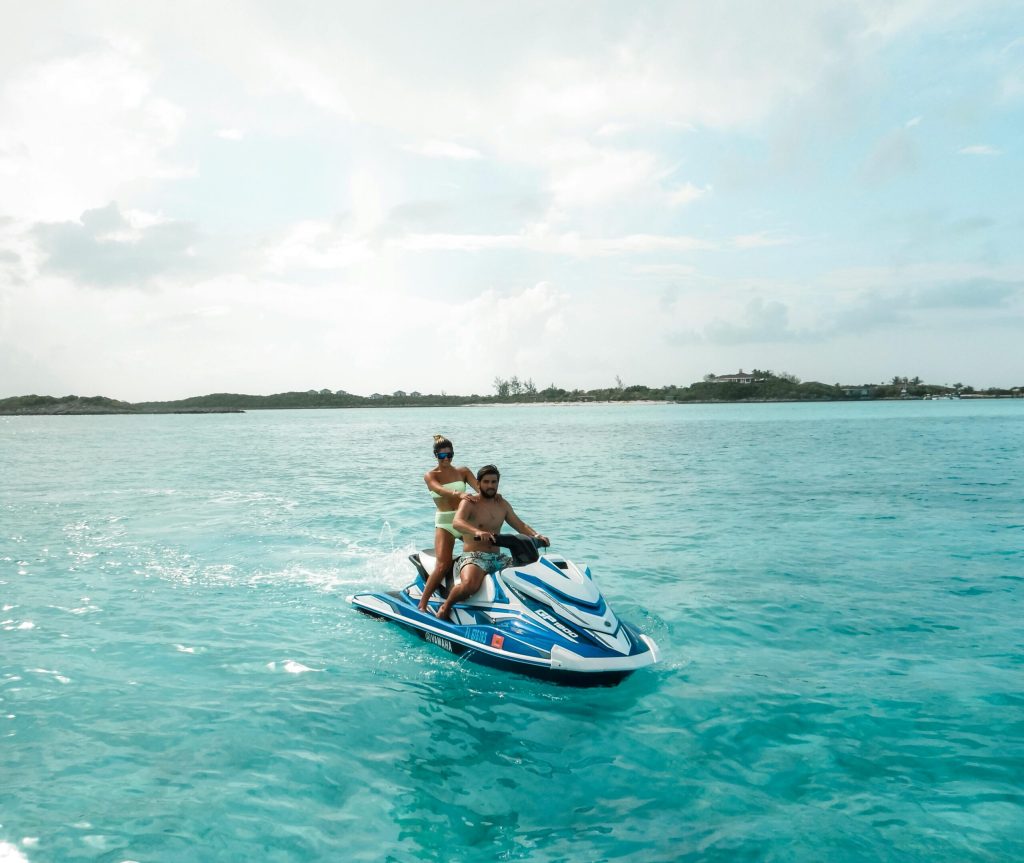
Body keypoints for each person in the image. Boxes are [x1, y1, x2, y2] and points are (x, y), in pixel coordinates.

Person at [437, 464, 550, 621]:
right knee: (470, 585)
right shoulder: (470, 502)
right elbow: (457, 522)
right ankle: (445, 607)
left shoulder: (502, 504)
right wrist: (477, 531)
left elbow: (520, 525)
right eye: (486, 482)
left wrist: (537, 535)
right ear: (478, 483)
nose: (490, 486)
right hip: (474, 557)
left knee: (529, 576)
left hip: (498, 558)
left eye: (494, 482)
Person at [419, 435, 478, 612]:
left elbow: (480, 489)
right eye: (442, 456)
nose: (447, 459)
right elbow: (439, 489)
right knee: (443, 564)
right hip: (445, 523)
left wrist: (493, 496)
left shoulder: (463, 472)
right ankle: (422, 604)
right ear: (435, 455)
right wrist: (457, 494)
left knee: (483, 551)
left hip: (463, 520)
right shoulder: (431, 475)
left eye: (450, 455)